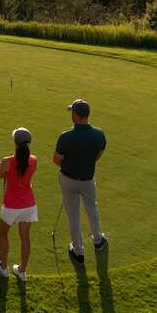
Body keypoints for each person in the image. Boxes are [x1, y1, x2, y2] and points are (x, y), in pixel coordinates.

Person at [53, 98, 108, 263]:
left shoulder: (65, 137)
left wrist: (70, 164)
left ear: (75, 116)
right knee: (92, 209)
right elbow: (98, 155)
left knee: (73, 214)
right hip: (87, 179)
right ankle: (98, 240)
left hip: (68, 179)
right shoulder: (99, 134)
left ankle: (78, 251)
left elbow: (56, 160)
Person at [0, 127, 37, 283]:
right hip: (29, 205)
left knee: (3, 234)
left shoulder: (7, 161)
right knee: (25, 238)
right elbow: (23, 168)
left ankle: (4, 268)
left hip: (11, 205)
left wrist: (1, 166)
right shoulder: (34, 160)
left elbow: (1, 175)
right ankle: (22, 271)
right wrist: (4, 165)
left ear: (15, 142)